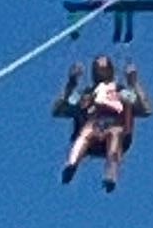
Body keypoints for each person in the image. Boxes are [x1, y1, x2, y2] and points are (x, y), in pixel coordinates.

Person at [57, 51, 146, 190]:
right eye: (99, 70)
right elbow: (61, 109)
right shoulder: (87, 93)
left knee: (115, 134)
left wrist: (133, 83)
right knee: (87, 131)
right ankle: (71, 163)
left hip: (116, 127)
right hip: (93, 127)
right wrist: (71, 83)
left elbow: (144, 108)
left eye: (104, 69)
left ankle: (111, 173)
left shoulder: (120, 91)